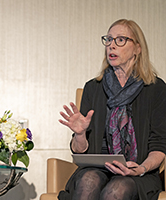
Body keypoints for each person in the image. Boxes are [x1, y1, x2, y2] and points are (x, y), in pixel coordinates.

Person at [58, 19, 166, 200]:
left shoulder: (156, 89)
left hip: (138, 173)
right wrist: (80, 134)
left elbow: (159, 144)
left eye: (120, 40)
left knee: (117, 189)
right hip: (97, 169)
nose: (111, 46)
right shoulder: (93, 88)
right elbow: (80, 150)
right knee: (88, 181)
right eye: (108, 40)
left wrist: (141, 168)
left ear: (137, 48)